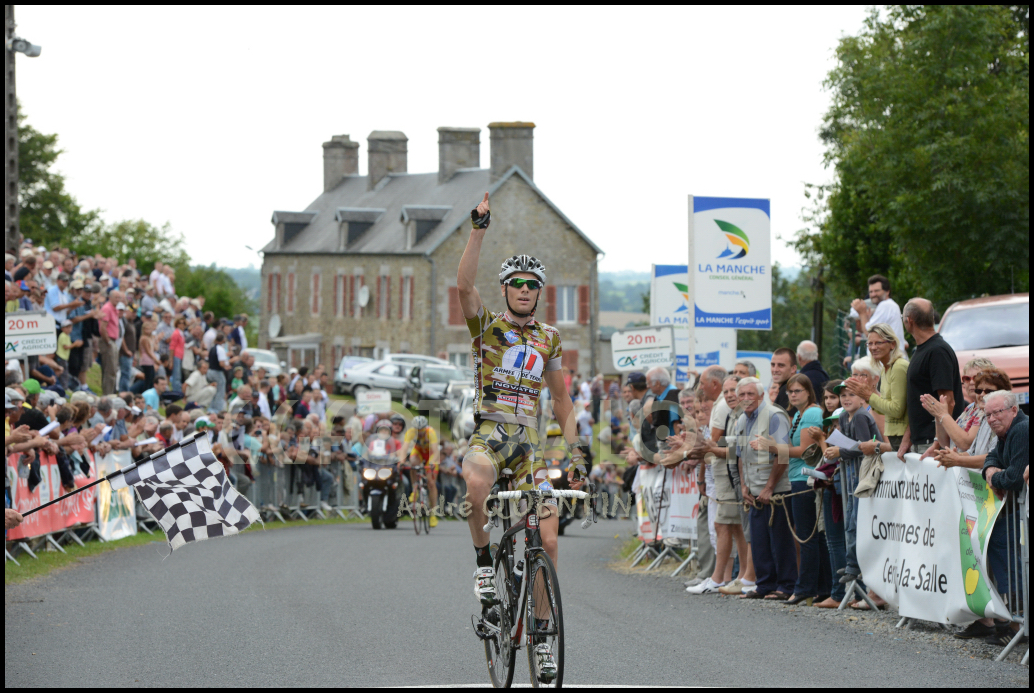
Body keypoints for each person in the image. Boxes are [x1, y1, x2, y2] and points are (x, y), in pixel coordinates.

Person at [456, 192, 583, 683]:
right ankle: (485, 564)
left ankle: (543, 635)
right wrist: (479, 228)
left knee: (548, 541)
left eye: (533, 285)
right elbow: (464, 284)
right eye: (517, 284)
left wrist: (575, 452)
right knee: (475, 484)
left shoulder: (548, 337)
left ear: (539, 292)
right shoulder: (486, 327)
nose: (525, 290)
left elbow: (562, 401)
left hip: (527, 445)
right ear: (506, 289)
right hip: (491, 432)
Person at [823, 381, 889, 606]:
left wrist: (839, 451)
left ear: (862, 398)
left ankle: (854, 566)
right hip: (850, 477)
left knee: (857, 520)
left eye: (851, 394)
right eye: (842, 395)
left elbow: (863, 447)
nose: (846, 399)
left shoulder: (861, 416)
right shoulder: (843, 417)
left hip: (863, 475)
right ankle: (852, 564)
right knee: (851, 520)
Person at [731, 377, 795, 600]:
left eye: (751, 394)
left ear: (761, 396)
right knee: (758, 541)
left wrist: (769, 487)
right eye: (742, 395)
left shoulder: (775, 415)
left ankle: (786, 587)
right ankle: (764, 584)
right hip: (753, 490)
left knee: (780, 540)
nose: (746, 399)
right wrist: (744, 485)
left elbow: (784, 454)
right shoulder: (741, 420)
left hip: (775, 490)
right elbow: (740, 457)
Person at [976, 391, 1028, 647]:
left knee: (1016, 565)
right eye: (988, 414)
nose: (993, 419)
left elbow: (1015, 479)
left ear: (1013, 410)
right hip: (1010, 513)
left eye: (998, 412)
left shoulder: (1022, 430)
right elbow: (992, 458)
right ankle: (1016, 622)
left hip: (1019, 513)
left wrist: (994, 477)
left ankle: (1020, 624)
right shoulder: (1007, 432)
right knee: (1007, 561)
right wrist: (990, 470)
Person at [782, 374, 830, 604]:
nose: (793, 395)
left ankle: (805, 588)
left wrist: (772, 449)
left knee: (807, 535)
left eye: (797, 391)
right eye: (790, 391)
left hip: (805, 477)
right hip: (798, 476)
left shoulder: (811, 413)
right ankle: (821, 587)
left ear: (809, 392)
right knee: (813, 535)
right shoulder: (799, 415)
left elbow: (804, 450)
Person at [899, 298, 964, 458]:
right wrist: (908, 438)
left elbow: (948, 401)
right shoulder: (920, 350)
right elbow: (916, 399)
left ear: (909, 320)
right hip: (921, 441)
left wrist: (938, 443)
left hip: (933, 446)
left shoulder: (937, 351)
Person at [844, 323, 909, 450]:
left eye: (878, 343)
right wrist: (867, 396)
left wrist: (868, 395)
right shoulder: (886, 369)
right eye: (870, 344)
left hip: (902, 439)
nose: (873, 347)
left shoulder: (899, 366)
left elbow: (896, 410)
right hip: (895, 439)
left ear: (892, 344)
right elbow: (884, 406)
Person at [934, 368, 1011, 472]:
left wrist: (958, 460)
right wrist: (952, 455)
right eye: (979, 391)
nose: (982, 395)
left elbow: (996, 457)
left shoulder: (1008, 419)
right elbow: (972, 452)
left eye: (989, 391)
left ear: (1003, 393)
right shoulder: (984, 416)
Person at [398, 414, 441, 527]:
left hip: (431, 455)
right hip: (419, 453)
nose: (419, 432)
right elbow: (404, 449)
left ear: (425, 427)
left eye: (421, 429)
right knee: (412, 463)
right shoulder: (410, 432)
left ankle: (433, 514)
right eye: (417, 430)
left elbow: (436, 451)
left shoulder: (430, 432)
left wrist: (432, 462)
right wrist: (401, 461)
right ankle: (414, 490)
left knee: (431, 483)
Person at [849, 275, 906, 357]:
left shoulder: (886, 305)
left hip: (890, 359)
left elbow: (869, 333)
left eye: (877, 291)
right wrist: (866, 318)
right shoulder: (888, 305)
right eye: (871, 292)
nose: (873, 294)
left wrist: (862, 313)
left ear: (887, 292)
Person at [97, 291, 124, 395]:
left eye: (119, 298)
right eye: (116, 297)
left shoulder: (114, 309)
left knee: (111, 369)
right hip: (108, 341)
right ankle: (108, 394)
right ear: (110, 297)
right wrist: (108, 341)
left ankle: (109, 393)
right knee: (110, 370)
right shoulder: (107, 308)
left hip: (112, 341)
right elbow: (103, 327)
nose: (118, 300)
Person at [769, 347, 797, 412]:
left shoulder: (789, 389)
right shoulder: (788, 387)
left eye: (781, 365)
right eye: (773, 365)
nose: (775, 370)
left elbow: (789, 421)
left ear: (793, 368)